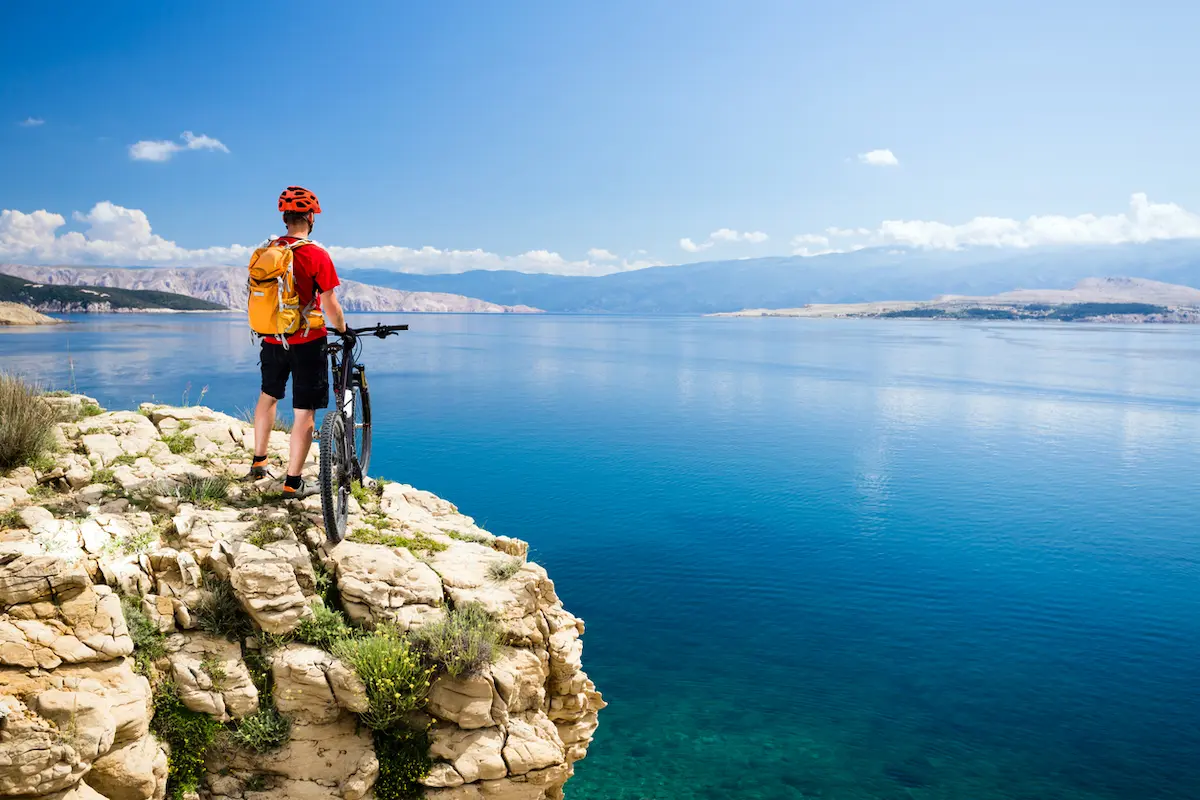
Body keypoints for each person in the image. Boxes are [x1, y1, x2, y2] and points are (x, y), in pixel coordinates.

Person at [247, 186, 347, 498]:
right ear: (311, 218)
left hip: (273, 339)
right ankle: (293, 482)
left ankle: (259, 462)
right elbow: (330, 304)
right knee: (304, 412)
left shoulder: (268, 251)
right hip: (307, 343)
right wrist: (343, 330)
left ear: (285, 218)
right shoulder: (316, 254)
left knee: (268, 397)